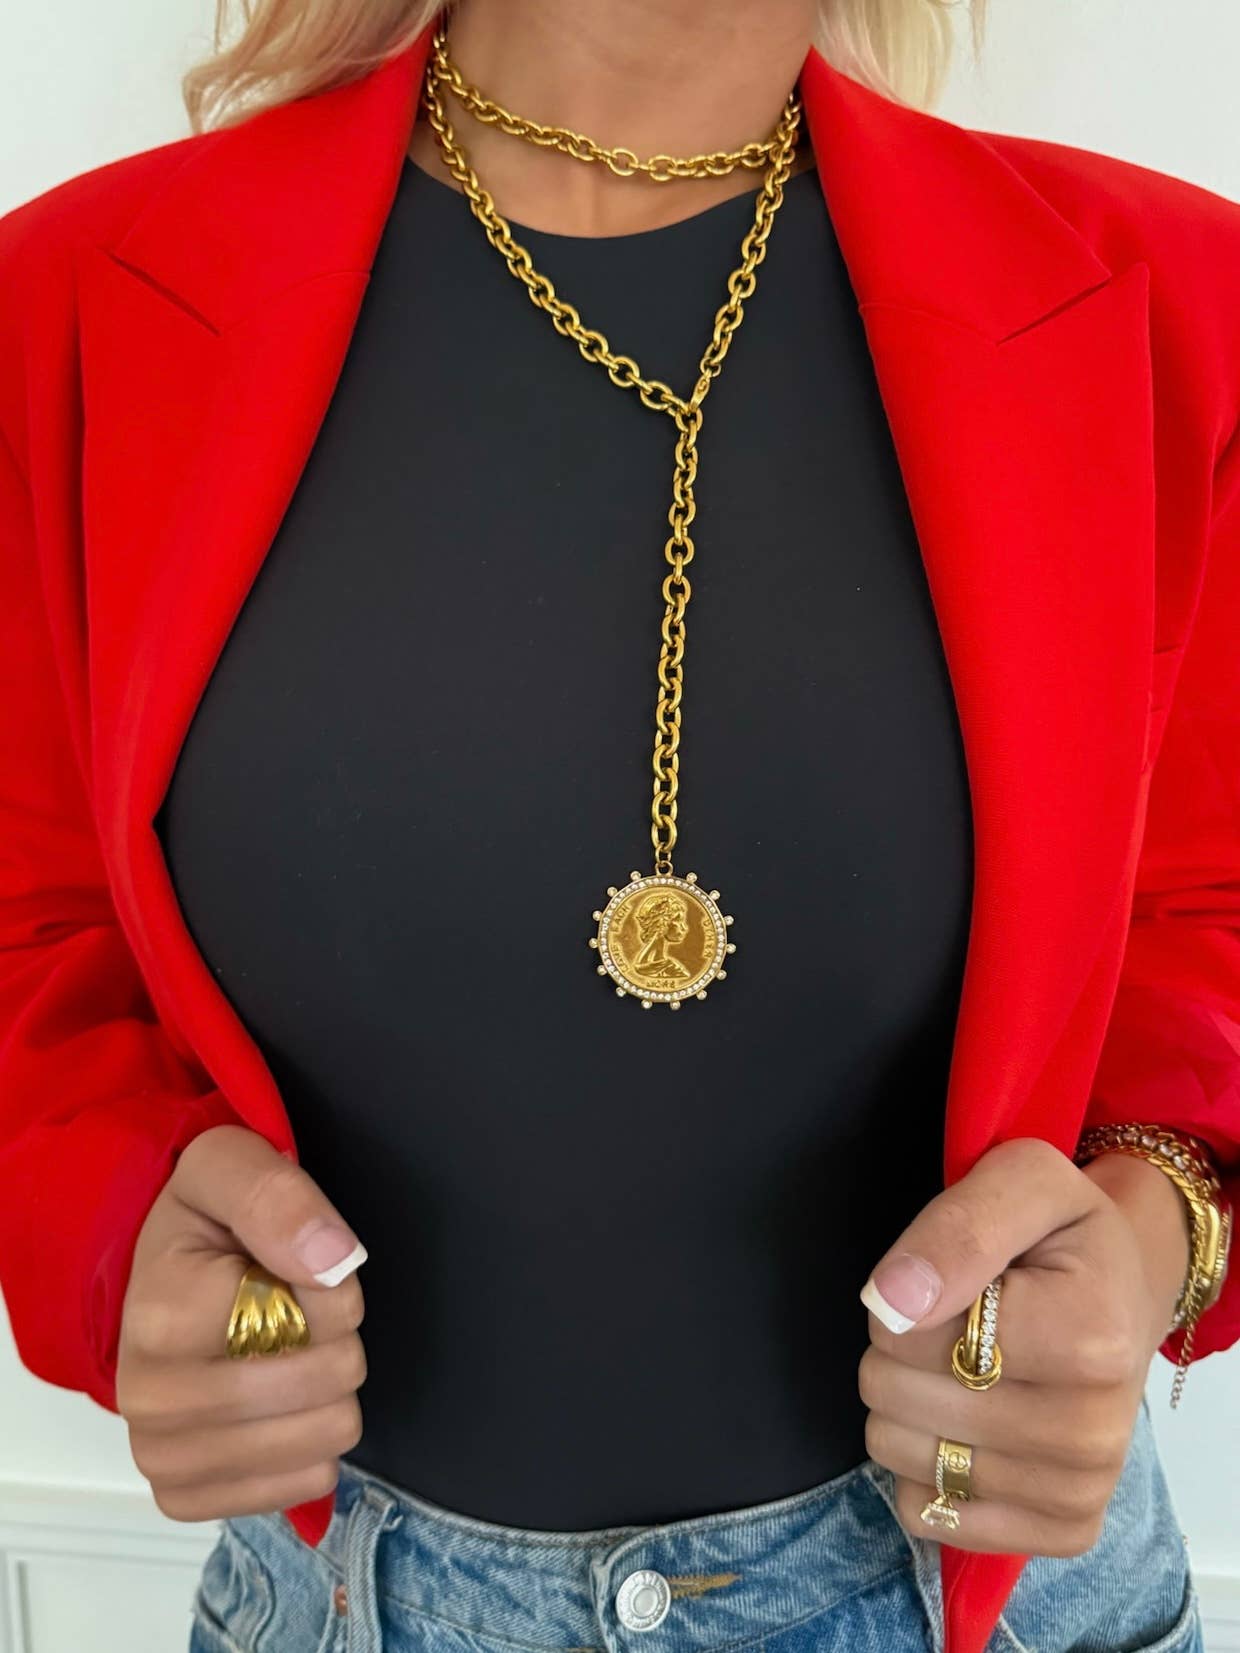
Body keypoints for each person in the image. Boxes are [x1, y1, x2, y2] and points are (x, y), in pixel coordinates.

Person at [0, 1, 1236, 1650]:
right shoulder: (66, 309)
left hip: (983, 1588)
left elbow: (1215, 921)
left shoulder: (1177, 308)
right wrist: (114, 1233)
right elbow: (30, 932)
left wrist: (1162, 1227)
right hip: (355, 1596)